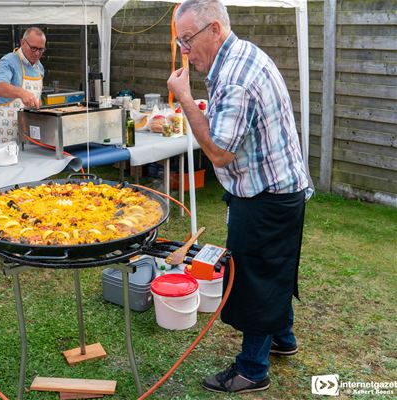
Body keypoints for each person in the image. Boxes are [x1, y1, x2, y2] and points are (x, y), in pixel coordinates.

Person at [167, 0, 311, 394]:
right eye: (181, 42)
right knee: (274, 268)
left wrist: (183, 98)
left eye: (187, 40)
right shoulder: (239, 54)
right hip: (281, 188)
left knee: (253, 279)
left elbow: (218, 152)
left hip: (267, 196)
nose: (184, 50)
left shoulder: (233, 78)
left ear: (214, 29)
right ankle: (283, 337)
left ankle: (252, 369)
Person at [0, 27, 46, 139]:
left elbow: (37, 97)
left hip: (29, 126)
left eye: (41, 50)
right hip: (6, 127)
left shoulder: (40, 67)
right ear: (23, 42)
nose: (37, 54)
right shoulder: (9, 61)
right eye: (33, 48)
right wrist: (21, 93)